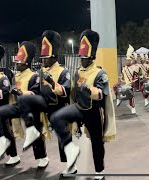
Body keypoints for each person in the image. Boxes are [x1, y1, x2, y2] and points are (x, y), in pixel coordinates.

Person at [50, 29, 116, 179]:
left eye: (85, 58)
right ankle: (71, 162)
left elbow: (100, 94)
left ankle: (99, 171)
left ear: (92, 57)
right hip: (79, 108)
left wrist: (88, 89)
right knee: (56, 119)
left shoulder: (100, 73)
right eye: (81, 57)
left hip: (93, 110)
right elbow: (72, 93)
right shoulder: (77, 72)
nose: (82, 60)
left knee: (96, 142)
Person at [0, 41, 49, 167]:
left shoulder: (34, 76)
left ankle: (42, 157)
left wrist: (21, 92)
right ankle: (13, 155)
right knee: (0, 117)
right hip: (17, 106)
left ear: (26, 63)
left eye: (18, 62)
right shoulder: (15, 76)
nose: (16, 64)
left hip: (31, 108)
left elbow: (35, 94)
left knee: (34, 131)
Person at [16, 30, 71, 168]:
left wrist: (52, 83)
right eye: (42, 57)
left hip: (59, 108)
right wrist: (24, 93)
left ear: (54, 57)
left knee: (62, 137)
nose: (43, 60)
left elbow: (66, 91)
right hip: (44, 107)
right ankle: (42, 157)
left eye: (46, 57)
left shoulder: (64, 72)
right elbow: (36, 90)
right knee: (34, 126)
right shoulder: (41, 72)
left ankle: (70, 165)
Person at [114, 45, 136, 114]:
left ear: (131, 61)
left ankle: (133, 108)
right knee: (115, 86)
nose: (127, 61)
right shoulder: (124, 67)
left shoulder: (134, 68)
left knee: (130, 96)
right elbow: (122, 75)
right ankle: (118, 98)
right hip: (124, 83)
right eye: (126, 60)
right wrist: (121, 78)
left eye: (128, 60)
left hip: (131, 84)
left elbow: (136, 77)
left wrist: (132, 82)